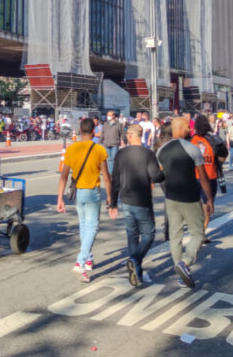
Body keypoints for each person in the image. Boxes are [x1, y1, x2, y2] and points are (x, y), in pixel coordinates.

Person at [157, 117, 214, 289]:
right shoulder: (192, 149)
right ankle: (186, 262)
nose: (190, 130)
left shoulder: (161, 151)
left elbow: (161, 175)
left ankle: (181, 275)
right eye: (187, 127)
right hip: (190, 196)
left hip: (171, 197)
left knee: (175, 236)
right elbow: (203, 177)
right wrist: (209, 199)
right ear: (180, 128)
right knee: (198, 233)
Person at [56, 118, 115, 283]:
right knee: (92, 226)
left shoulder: (72, 149)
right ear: (94, 131)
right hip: (92, 192)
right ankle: (80, 262)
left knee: (84, 225)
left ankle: (88, 258)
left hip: (78, 193)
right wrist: (110, 196)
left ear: (80, 130)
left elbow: (63, 176)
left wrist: (60, 198)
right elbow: (107, 177)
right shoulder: (99, 150)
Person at [110, 123, 164, 287]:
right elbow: (156, 177)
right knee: (149, 234)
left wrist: (113, 203)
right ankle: (135, 260)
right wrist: (163, 171)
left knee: (132, 234)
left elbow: (115, 180)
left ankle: (136, 270)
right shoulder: (148, 153)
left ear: (131, 135)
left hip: (126, 199)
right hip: (142, 199)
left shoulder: (120, 154)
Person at [190, 116, 226, 242]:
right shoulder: (214, 139)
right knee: (208, 204)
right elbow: (223, 156)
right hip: (209, 176)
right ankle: (202, 231)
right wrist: (216, 163)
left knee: (195, 205)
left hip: (193, 177)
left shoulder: (190, 140)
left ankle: (196, 229)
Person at [100, 110, 125, 174]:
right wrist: (99, 142)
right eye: (107, 115)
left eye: (109, 115)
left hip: (115, 144)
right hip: (107, 144)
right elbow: (102, 133)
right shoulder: (105, 124)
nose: (108, 116)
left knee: (114, 159)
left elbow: (122, 133)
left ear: (113, 116)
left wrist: (125, 141)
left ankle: (116, 172)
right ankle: (111, 173)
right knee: (109, 160)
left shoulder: (118, 124)